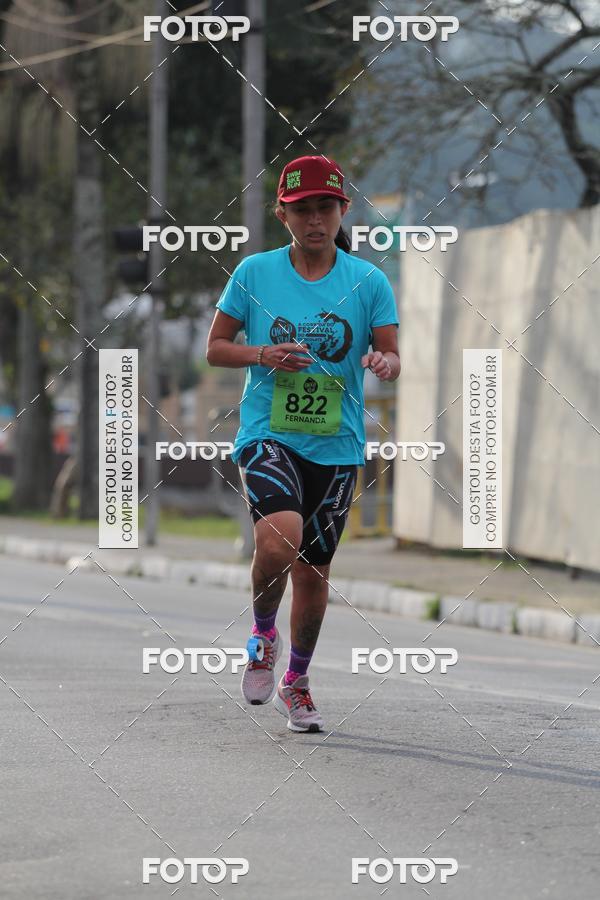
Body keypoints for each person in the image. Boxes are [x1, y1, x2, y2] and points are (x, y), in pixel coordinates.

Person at [206, 155, 400, 733]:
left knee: (313, 575)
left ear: (342, 212)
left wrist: (382, 362)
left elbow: (390, 351)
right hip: (269, 433)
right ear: (283, 214)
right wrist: (262, 353)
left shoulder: (368, 281)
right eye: (302, 209)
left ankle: (297, 681)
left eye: (326, 207)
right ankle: (263, 631)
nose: (315, 219)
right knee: (280, 538)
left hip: (337, 446)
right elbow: (216, 347)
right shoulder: (254, 274)